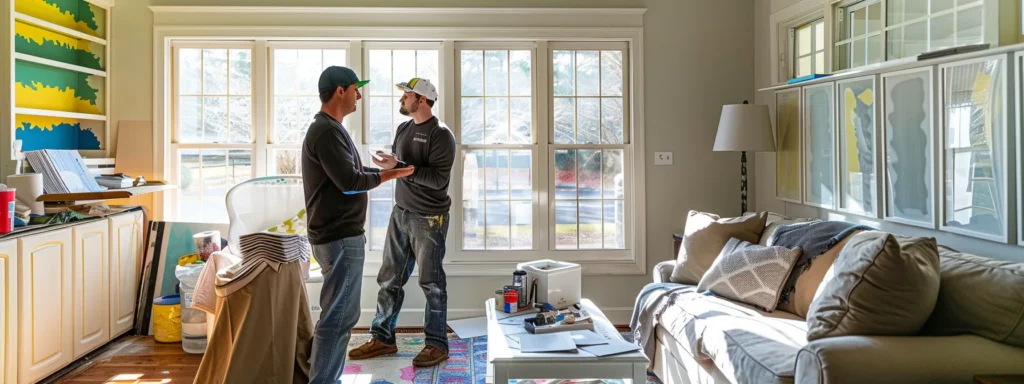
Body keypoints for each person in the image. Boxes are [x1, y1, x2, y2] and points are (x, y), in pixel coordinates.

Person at [302, 66, 415, 383]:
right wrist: (393, 175)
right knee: (340, 315)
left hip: (337, 235)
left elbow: (350, 170)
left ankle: (326, 378)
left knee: (339, 312)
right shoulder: (325, 131)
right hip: (338, 236)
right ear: (340, 91)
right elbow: (350, 182)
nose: (359, 95)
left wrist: (383, 168)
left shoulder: (331, 129)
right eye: (355, 89)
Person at [348, 77, 456, 368]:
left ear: (421, 100)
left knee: (431, 283)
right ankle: (383, 338)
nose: (401, 99)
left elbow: (437, 181)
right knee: (389, 279)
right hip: (402, 213)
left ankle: (436, 344)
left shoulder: (441, 135)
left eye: (406, 95)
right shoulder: (404, 129)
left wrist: (400, 167)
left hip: (429, 218)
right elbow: (401, 168)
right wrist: (387, 164)